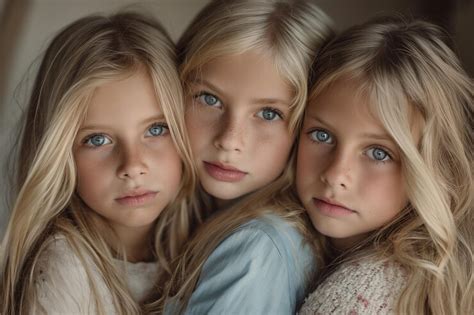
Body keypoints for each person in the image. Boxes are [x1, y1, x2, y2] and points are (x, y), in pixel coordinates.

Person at [0, 12, 197, 314]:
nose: (132, 165)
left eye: (156, 129)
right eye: (97, 140)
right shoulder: (64, 269)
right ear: (60, 153)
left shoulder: (202, 243)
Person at [160, 0, 334, 314]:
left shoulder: (254, 251)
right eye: (209, 98)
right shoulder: (193, 218)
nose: (229, 140)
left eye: (269, 113)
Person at [296, 16, 473, 314]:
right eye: (322, 135)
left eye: (379, 153)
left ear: (432, 167)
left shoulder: (357, 299)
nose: (336, 175)